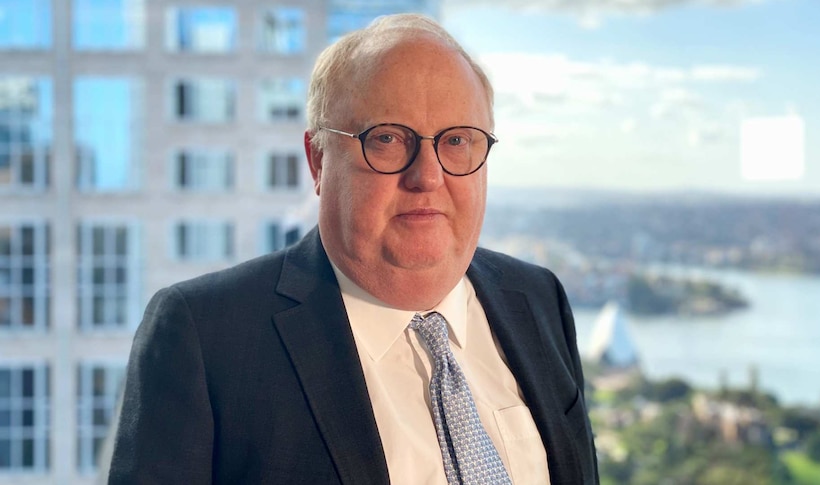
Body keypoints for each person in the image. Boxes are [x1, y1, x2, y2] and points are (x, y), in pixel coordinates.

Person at [109, 13, 599, 485]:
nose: (427, 176)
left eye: (456, 141)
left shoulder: (538, 300)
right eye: (386, 139)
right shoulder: (205, 335)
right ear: (318, 160)